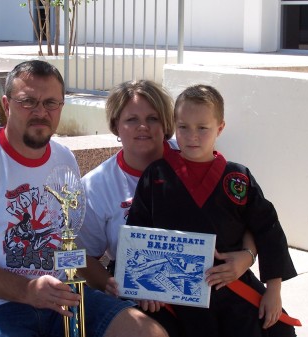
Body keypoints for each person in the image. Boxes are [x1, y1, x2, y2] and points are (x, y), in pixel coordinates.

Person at [0, 60, 168, 337]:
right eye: (28, 101)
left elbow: (67, 243)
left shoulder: (63, 157)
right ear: (6, 105)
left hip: (61, 299)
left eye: (51, 103)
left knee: (148, 334)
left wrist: (109, 282)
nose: (41, 112)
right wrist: (27, 290)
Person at [76, 80, 259, 336]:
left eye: (152, 118)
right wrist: (119, 286)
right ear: (115, 125)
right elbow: (79, 255)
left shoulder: (194, 152)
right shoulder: (96, 185)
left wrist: (247, 257)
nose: (143, 127)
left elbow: (248, 216)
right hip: (148, 298)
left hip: (214, 287)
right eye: (131, 119)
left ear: (166, 124)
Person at [126, 84, 299, 337]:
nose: (191, 135)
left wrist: (274, 289)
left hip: (231, 284)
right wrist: (142, 288)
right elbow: (137, 230)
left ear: (220, 128)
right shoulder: (157, 175)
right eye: (183, 127)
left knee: (278, 328)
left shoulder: (237, 178)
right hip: (174, 292)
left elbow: (267, 227)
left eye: (202, 128)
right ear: (174, 126)